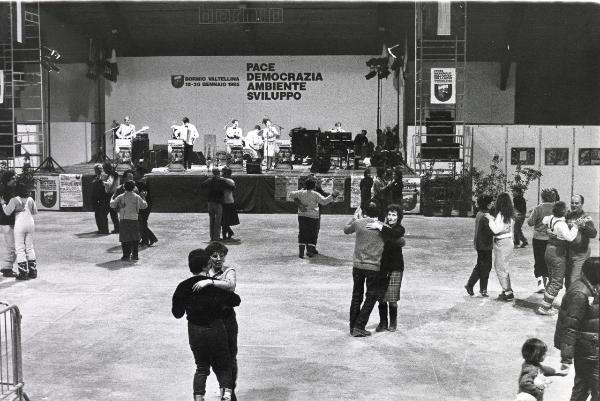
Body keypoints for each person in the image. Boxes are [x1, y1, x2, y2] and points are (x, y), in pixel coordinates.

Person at [172, 248, 240, 401]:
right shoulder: (212, 286)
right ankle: (227, 396)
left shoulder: (183, 286)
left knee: (201, 368)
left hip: (195, 331)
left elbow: (177, 313)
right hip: (216, 329)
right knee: (223, 366)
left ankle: (198, 397)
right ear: (207, 265)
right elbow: (236, 300)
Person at [193, 242, 239, 401]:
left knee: (230, 355)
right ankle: (223, 389)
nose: (219, 259)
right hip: (211, 321)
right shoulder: (204, 272)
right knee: (214, 358)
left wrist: (210, 282)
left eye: (222, 255)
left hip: (227, 319)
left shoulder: (229, 271)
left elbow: (231, 285)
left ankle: (230, 391)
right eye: (214, 255)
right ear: (209, 257)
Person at [554, 257, 599, 401]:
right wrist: (566, 359)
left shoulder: (592, 287)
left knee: (582, 387)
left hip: (590, 347)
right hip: (588, 350)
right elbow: (570, 327)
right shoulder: (580, 294)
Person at [344, 203, 386, 337]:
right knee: (371, 296)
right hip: (374, 266)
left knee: (356, 296)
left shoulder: (358, 223)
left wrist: (353, 218)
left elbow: (346, 229)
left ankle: (353, 327)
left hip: (357, 265)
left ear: (365, 211)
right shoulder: (382, 227)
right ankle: (359, 326)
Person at [367, 204, 405, 332]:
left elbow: (394, 233)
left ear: (399, 217)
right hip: (382, 266)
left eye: (394, 215)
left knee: (392, 299)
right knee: (381, 298)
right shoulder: (383, 228)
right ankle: (383, 322)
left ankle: (393, 323)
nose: (391, 217)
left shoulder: (400, 229)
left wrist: (380, 227)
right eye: (389, 214)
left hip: (395, 267)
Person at [536, 201, 579, 315]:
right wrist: (575, 227)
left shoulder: (550, 218)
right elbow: (569, 238)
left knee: (552, 279)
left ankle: (547, 304)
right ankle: (544, 308)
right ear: (563, 211)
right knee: (557, 282)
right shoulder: (562, 224)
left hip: (548, 250)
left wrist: (549, 231)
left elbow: (543, 220)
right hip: (558, 253)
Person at [289, 177, 337, 258]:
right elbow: (324, 202)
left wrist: (300, 204)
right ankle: (310, 252)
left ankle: (301, 253)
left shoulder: (301, 192)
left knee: (302, 232)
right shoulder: (316, 194)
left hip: (302, 215)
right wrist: (332, 195)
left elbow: (291, 194)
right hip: (313, 216)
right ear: (314, 186)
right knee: (311, 233)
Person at [1, 183, 37, 280]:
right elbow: (35, 212)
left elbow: (7, 212)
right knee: (30, 247)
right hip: (30, 223)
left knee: (20, 248)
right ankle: (33, 272)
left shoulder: (14, 200)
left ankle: (23, 273)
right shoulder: (30, 199)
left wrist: (3, 204)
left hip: (20, 224)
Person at [564, 194, 597, 289]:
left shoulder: (586, 217)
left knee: (574, 279)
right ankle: (571, 300)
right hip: (568, 253)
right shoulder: (567, 216)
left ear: (582, 204)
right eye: (572, 203)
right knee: (567, 280)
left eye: (577, 203)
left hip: (580, 254)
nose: (574, 205)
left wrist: (583, 226)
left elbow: (593, 233)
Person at [487, 192, 516, 301]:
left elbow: (495, 230)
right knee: (504, 267)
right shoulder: (509, 214)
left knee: (500, 268)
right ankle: (507, 289)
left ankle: (507, 292)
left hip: (502, 243)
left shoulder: (500, 215)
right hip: (508, 242)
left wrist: (490, 219)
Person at [465, 195, 495, 297]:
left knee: (481, 266)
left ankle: (476, 286)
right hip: (485, 245)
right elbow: (491, 231)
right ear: (487, 204)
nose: (492, 204)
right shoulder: (486, 216)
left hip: (479, 244)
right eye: (491, 202)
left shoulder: (479, 213)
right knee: (486, 267)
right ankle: (479, 288)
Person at [527, 188, 556, 293]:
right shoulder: (556, 208)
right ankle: (547, 280)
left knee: (539, 260)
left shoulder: (538, 208)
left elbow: (530, 222)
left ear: (542, 197)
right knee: (548, 261)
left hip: (538, 238)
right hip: (552, 238)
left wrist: (531, 213)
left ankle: (540, 282)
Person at [110, 180, 147, 261]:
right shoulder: (137, 197)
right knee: (135, 237)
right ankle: (135, 255)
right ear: (134, 187)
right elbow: (144, 206)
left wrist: (112, 197)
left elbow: (112, 204)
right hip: (134, 219)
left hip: (124, 219)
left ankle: (126, 255)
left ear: (124, 187)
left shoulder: (121, 196)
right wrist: (144, 196)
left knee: (125, 238)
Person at [201, 168, 235, 242]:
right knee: (218, 221)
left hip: (210, 202)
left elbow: (202, 185)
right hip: (218, 202)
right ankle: (216, 238)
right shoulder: (221, 181)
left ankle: (212, 237)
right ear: (219, 173)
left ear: (213, 173)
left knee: (211, 220)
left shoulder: (209, 180)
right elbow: (232, 187)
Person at [0, 171, 17, 278]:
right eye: (13, 179)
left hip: (7, 221)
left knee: (10, 245)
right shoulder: (6, 192)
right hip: (8, 222)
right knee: (12, 246)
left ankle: (7, 266)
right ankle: (7, 268)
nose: (15, 180)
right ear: (8, 181)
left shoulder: (8, 190)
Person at [136, 168, 157, 247]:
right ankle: (146, 239)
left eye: (136, 172)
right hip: (147, 203)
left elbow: (142, 194)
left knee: (142, 222)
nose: (135, 173)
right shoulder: (145, 180)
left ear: (139, 173)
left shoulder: (140, 182)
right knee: (143, 222)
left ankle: (150, 238)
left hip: (143, 204)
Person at [220, 167, 239, 241]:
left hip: (228, 202)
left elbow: (230, 183)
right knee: (223, 220)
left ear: (226, 173)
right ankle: (228, 233)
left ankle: (226, 235)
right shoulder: (222, 180)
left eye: (223, 172)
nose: (222, 173)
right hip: (224, 202)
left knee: (225, 220)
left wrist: (220, 178)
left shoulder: (230, 180)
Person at [102, 162, 120, 234]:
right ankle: (117, 228)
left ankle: (104, 229)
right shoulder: (115, 173)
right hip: (114, 194)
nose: (104, 170)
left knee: (103, 213)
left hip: (110, 195)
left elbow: (109, 184)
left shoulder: (112, 174)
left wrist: (102, 182)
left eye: (104, 168)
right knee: (113, 213)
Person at [91, 163, 109, 234]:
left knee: (102, 214)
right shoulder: (95, 177)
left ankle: (105, 230)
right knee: (97, 214)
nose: (99, 170)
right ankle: (100, 228)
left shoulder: (104, 176)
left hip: (103, 197)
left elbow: (104, 185)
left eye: (100, 168)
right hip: (96, 198)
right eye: (97, 169)